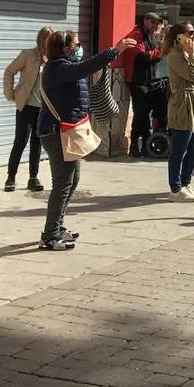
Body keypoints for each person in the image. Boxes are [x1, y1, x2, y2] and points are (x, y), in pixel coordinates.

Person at [38, 30, 136, 249]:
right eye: (76, 44)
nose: (80, 47)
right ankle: (50, 236)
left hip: (70, 131)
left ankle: (57, 226)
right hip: (57, 132)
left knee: (72, 182)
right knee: (62, 185)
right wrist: (114, 51)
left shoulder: (65, 68)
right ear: (65, 49)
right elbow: (83, 68)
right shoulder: (58, 68)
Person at [1, 26, 53, 193]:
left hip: (43, 109)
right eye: (46, 38)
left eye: (51, 39)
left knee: (37, 144)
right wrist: (11, 95)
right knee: (20, 142)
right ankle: (10, 177)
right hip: (26, 106)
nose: (47, 42)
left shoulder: (53, 59)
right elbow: (9, 71)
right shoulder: (28, 55)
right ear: (40, 40)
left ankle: (33, 177)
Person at [165, 22, 194, 201]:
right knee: (180, 147)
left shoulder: (191, 55)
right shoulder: (174, 56)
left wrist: (192, 58)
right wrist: (192, 58)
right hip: (183, 104)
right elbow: (193, 76)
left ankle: (186, 182)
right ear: (179, 37)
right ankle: (175, 188)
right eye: (190, 33)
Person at [121, 12, 166, 157]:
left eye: (157, 24)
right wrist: (159, 51)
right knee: (140, 113)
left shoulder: (150, 36)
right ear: (146, 21)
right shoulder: (136, 35)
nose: (155, 26)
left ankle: (145, 145)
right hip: (137, 81)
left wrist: (158, 52)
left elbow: (153, 57)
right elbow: (142, 56)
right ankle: (135, 145)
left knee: (146, 113)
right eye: (153, 23)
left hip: (148, 81)